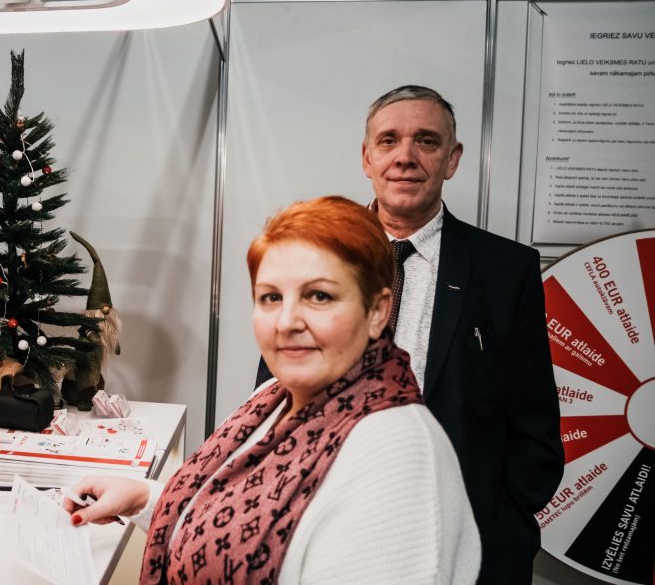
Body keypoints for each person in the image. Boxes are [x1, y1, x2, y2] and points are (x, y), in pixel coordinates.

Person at [67, 196, 481, 584]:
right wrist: (145, 498)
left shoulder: (400, 457)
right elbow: (244, 524)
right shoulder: (273, 398)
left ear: (376, 311)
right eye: (270, 297)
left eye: (318, 296)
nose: (286, 322)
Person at [257, 85, 563, 584]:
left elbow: (534, 423)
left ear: (452, 159)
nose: (405, 157)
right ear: (367, 157)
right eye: (388, 141)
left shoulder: (506, 271)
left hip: (461, 541)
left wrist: (501, 524)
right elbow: (273, 396)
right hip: (327, 527)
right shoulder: (313, 256)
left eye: (426, 141)